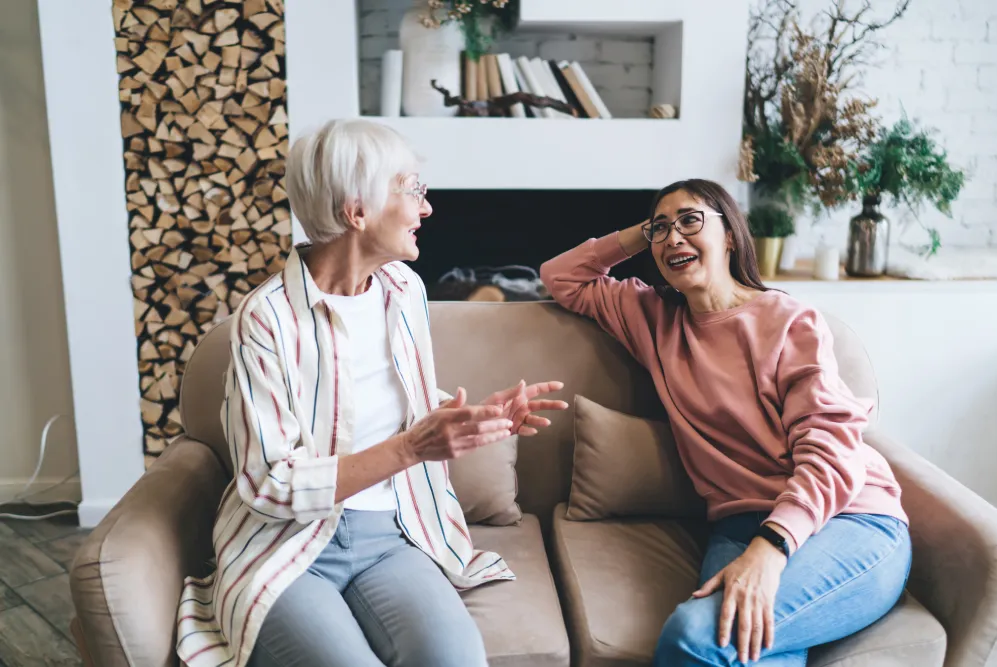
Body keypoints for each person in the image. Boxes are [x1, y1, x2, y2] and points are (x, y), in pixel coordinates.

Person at [175, 119, 568, 667]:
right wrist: (412, 447)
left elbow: (403, 403)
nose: (426, 209)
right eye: (412, 190)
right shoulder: (264, 321)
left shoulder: (404, 290)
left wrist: (477, 418)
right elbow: (268, 481)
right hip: (288, 546)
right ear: (356, 211)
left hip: (390, 534)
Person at [540, 179, 910, 666]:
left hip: (845, 520)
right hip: (737, 527)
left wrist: (771, 549)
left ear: (730, 235)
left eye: (691, 220)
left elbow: (830, 452)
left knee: (696, 639)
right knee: (751, 656)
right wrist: (645, 230)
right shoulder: (653, 319)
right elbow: (560, 276)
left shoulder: (788, 321)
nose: (674, 238)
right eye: (661, 229)